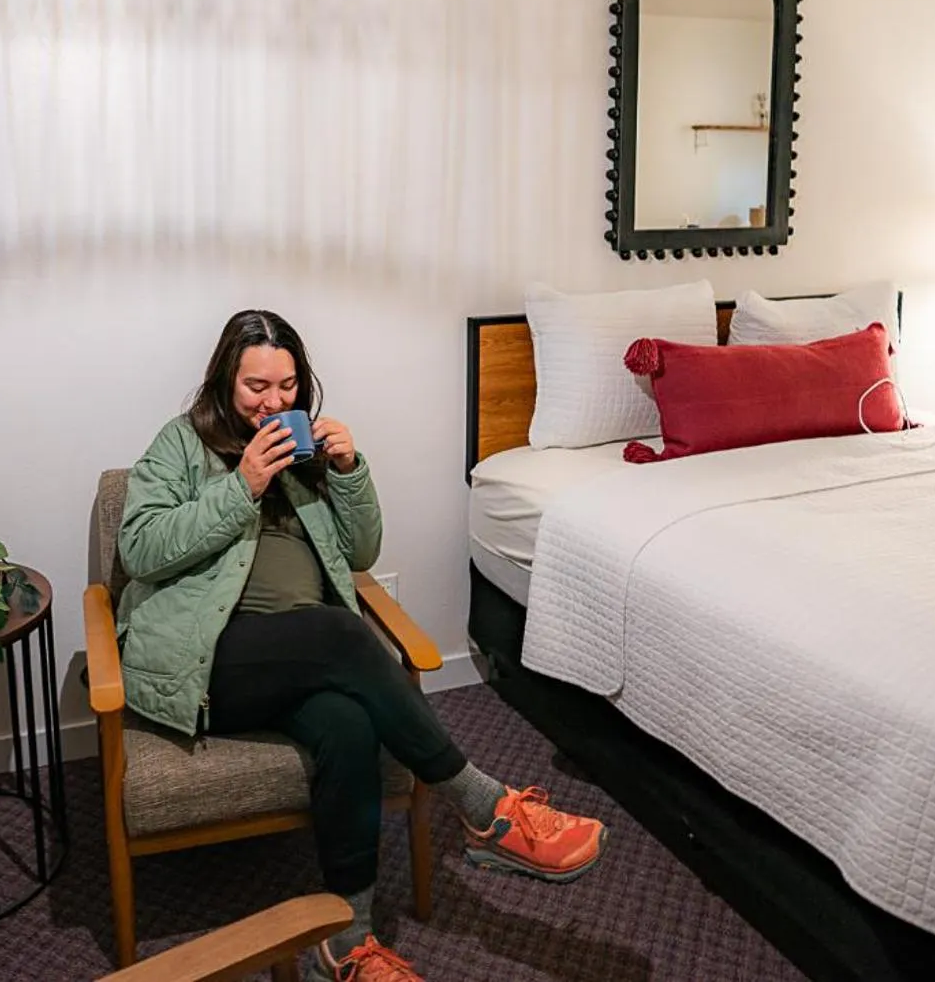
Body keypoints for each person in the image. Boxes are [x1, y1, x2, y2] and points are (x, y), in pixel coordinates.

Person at [119, 310, 607, 981]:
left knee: (348, 724)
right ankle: (484, 807)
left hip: (305, 659)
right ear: (224, 380)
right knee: (342, 632)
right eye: (257, 386)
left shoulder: (308, 452)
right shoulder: (181, 443)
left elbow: (361, 552)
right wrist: (242, 486)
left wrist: (349, 471)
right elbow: (140, 547)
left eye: (288, 385)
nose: (274, 402)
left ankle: (344, 945)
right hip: (212, 660)